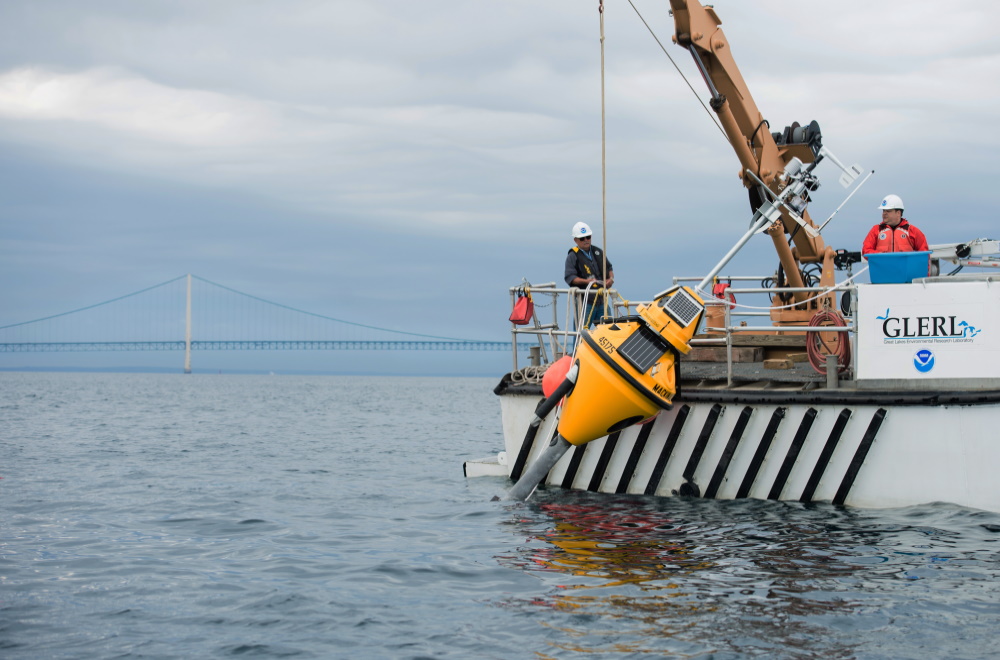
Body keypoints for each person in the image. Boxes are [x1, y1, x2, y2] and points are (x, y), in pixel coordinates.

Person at [564, 221, 614, 328]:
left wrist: (611, 279)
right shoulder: (573, 256)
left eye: (588, 237)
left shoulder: (598, 252)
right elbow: (570, 277)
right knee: (580, 333)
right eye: (582, 238)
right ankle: (577, 346)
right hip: (585, 302)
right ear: (575, 240)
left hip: (602, 301)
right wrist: (587, 282)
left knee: (608, 330)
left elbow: (609, 267)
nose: (586, 240)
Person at [862, 194, 929, 255]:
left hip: (904, 268)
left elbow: (924, 253)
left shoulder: (911, 230)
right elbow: (866, 250)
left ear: (898, 213)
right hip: (883, 268)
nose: (884, 213)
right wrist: (882, 257)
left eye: (888, 211)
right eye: (883, 210)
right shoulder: (876, 230)